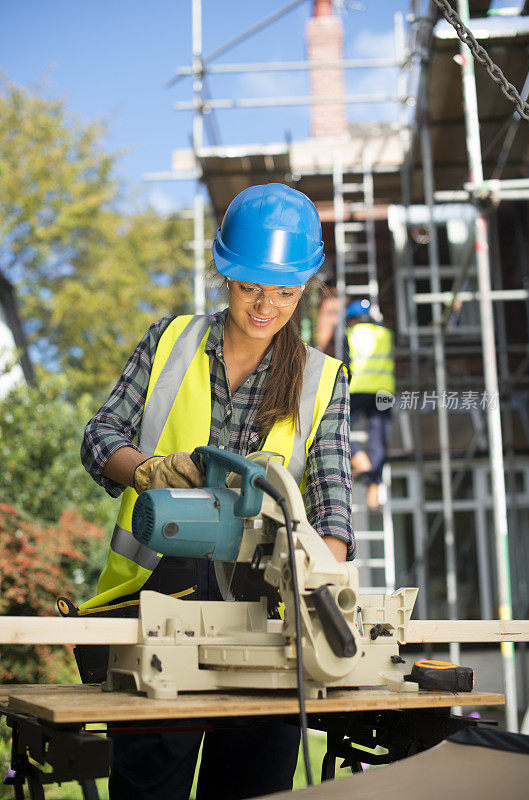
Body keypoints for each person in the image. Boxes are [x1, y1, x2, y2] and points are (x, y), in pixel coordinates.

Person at [77, 183, 354, 800]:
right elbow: (100, 435)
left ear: (304, 288)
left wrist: (321, 580)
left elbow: (332, 499)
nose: (265, 306)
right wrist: (148, 471)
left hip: (264, 626)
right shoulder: (169, 344)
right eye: (250, 287)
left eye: (283, 291)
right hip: (158, 608)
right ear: (223, 274)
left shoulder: (320, 380)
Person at [345, 299, 395, 510]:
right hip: (384, 391)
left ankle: (357, 455)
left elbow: (343, 362)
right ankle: (374, 483)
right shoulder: (386, 335)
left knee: (341, 425)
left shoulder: (349, 335)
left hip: (357, 388)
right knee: (380, 436)